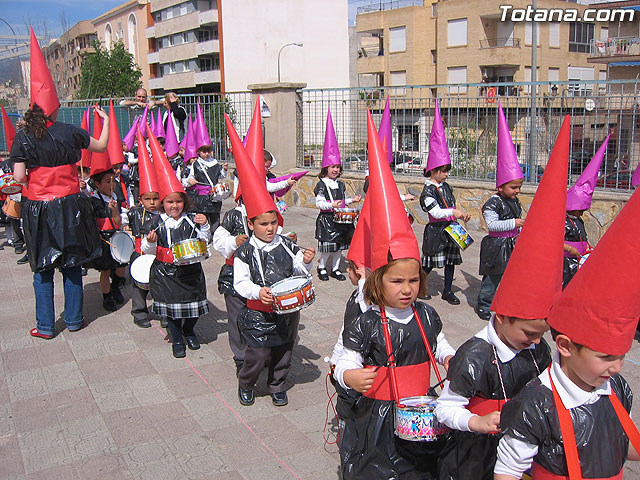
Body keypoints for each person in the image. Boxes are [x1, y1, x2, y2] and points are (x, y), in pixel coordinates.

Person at [435, 115, 571, 480]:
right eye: (528, 332)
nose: (535, 341)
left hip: (520, 448)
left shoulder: (538, 350)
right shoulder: (475, 355)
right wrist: (476, 421)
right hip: (476, 452)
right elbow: (445, 408)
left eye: (540, 334)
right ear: (502, 317)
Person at [334, 112, 455, 479]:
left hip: (419, 409)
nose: (407, 289)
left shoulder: (427, 315)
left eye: (414, 281)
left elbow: (441, 343)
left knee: (419, 469)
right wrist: (348, 376)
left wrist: (449, 356)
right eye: (397, 282)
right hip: (379, 414)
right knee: (379, 466)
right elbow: (342, 357)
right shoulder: (367, 321)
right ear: (377, 282)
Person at [495, 180, 640, 479]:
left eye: (621, 356)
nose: (616, 367)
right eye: (606, 356)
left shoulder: (618, 389)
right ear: (565, 346)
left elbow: (617, 445)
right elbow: (508, 470)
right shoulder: (535, 404)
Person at [12, 29, 104, 338]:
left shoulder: (23, 136)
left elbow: (19, 178)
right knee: (72, 263)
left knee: (43, 268)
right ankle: (76, 320)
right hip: (70, 206)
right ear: (55, 104)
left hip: (39, 208)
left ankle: (47, 326)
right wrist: (103, 121)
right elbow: (101, 147)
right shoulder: (70, 131)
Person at [225, 113, 315, 408]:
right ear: (251, 224)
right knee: (258, 353)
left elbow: (298, 271)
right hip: (259, 311)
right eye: (263, 224)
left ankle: (277, 384)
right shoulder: (244, 252)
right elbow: (240, 283)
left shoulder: (285, 243)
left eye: (273, 222)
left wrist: (306, 260)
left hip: (287, 311)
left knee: (284, 351)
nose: (270, 228)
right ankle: (247, 382)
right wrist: (257, 292)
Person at [142, 125, 211, 358]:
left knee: (192, 310)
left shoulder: (192, 219)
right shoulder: (156, 222)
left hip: (190, 271)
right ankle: (177, 338)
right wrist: (151, 242)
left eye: (178, 202)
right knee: (171, 312)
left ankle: (189, 331)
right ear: (162, 203)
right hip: (165, 274)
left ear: (184, 202)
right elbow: (146, 250)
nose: (174, 206)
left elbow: (204, 242)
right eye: (169, 202)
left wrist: (204, 226)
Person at [475, 103, 524, 321]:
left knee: (511, 277)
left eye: (519, 187)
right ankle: (484, 303)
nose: (517, 191)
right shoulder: (492, 204)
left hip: (512, 243)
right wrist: (514, 223)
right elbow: (492, 225)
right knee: (492, 278)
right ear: (500, 186)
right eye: (513, 187)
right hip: (496, 246)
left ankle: (505, 302)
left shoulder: (514, 201)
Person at [420, 100, 470, 305]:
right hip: (435, 231)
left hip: (451, 230)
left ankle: (448, 290)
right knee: (429, 263)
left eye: (448, 170)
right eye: (443, 170)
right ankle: (421, 286)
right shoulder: (428, 191)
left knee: (451, 261)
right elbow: (437, 212)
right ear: (432, 170)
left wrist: (459, 214)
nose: (446, 174)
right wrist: (453, 212)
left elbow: (451, 207)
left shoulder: (446, 186)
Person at [314, 109, 361, 282]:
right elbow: (319, 203)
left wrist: (351, 201)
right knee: (327, 248)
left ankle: (335, 269)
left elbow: (341, 201)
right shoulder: (321, 184)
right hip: (327, 220)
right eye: (332, 167)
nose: (335, 170)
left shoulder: (340, 184)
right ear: (325, 167)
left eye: (337, 167)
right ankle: (322, 267)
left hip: (340, 220)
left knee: (339, 247)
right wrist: (330, 205)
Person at [562, 136, 608, 288]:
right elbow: (556, 242)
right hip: (565, 261)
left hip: (577, 260)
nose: (581, 214)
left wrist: (587, 248)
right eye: (580, 210)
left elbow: (582, 235)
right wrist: (570, 249)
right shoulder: (564, 222)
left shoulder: (577, 221)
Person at [128, 127, 160, 328]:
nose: (152, 202)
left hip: (160, 254)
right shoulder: (134, 213)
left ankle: (161, 310)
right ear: (141, 199)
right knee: (139, 284)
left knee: (159, 283)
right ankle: (139, 311)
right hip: (140, 252)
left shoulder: (164, 215)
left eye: (156, 198)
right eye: (147, 199)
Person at [89, 166, 127, 312]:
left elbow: (118, 222)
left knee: (121, 267)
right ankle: (107, 296)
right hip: (102, 239)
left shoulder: (116, 198)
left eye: (114, 181)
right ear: (97, 184)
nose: (112, 185)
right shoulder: (93, 200)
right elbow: (90, 221)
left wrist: (115, 210)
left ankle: (115, 287)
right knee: (105, 270)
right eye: (107, 181)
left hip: (116, 237)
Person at [186, 143, 228, 230]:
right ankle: (203, 236)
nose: (207, 154)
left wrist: (224, 169)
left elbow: (221, 176)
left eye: (208, 151)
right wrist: (190, 180)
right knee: (202, 218)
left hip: (214, 196)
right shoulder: (196, 164)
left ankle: (214, 236)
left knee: (215, 219)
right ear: (198, 152)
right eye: (204, 151)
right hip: (201, 197)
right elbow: (190, 176)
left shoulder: (215, 163)